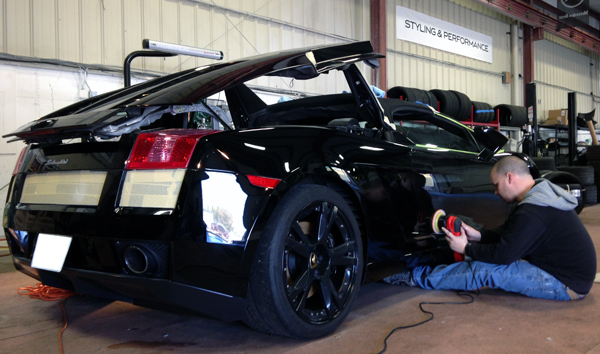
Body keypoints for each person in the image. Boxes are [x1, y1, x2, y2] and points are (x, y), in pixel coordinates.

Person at [384, 155, 597, 300]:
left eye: (496, 185)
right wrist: (478, 236)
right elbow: (509, 231)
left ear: (510, 178)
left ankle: (416, 277)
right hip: (566, 273)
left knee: (488, 270)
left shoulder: (534, 210)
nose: (495, 192)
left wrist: (466, 248)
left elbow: (503, 255)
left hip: (566, 284)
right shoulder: (538, 193)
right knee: (483, 257)